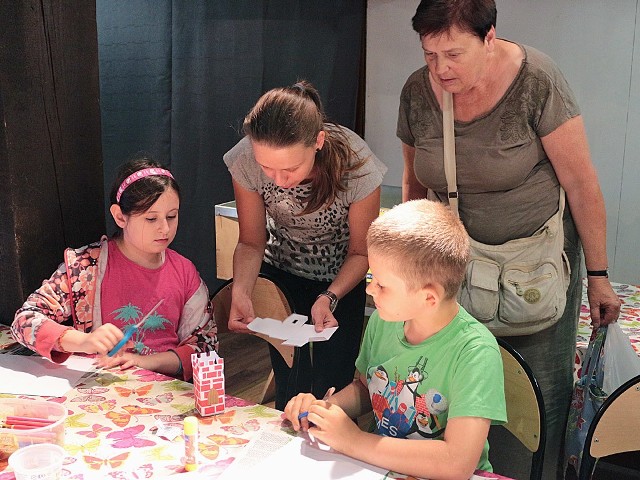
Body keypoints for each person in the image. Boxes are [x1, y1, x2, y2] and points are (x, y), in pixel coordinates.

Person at [397, 1, 621, 478]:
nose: (440, 69)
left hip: (531, 275)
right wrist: (407, 263)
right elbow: (415, 182)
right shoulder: (418, 91)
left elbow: (581, 185)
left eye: (454, 54)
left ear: (490, 36)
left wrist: (599, 277)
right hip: (456, 269)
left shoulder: (537, 82)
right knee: (453, 388)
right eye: (429, 54)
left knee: (534, 403)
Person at [284, 199, 507, 479]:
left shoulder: (476, 352)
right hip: (379, 467)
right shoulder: (384, 321)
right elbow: (368, 389)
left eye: (381, 284)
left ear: (428, 297)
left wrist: (353, 439)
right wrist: (325, 409)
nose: (369, 290)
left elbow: (457, 464)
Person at [223, 80, 387, 410]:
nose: (277, 180)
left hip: (342, 276)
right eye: (266, 167)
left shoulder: (357, 167)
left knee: (334, 385)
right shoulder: (245, 159)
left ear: (318, 142)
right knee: (290, 381)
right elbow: (252, 241)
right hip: (281, 271)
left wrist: (330, 295)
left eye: (290, 168)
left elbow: (361, 251)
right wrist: (241, 290)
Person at [11, 156, 218, 381]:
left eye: (172, 216)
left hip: (166, 395)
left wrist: (143, 362)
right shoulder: (87, 267)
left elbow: (206, 348)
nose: (165, 228)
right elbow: (24, 321)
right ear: (120, 216)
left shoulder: (184, 272)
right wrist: (82, 341)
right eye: (151, 219)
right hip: (101, 392)